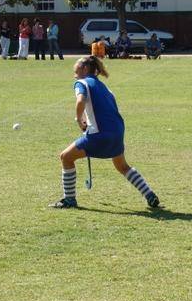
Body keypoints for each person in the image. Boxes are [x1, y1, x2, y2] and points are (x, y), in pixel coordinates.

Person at [50, 56, 160, 209]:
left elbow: (80, 100)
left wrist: (79, 120)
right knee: (122, 166)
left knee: (66, 157)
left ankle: (69, 200)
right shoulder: (105, 87)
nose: (74, 72)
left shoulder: (81, 83)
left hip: (99, 134)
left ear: (85, 68)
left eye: (76, 68)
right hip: (117, 132)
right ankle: (149, 195)